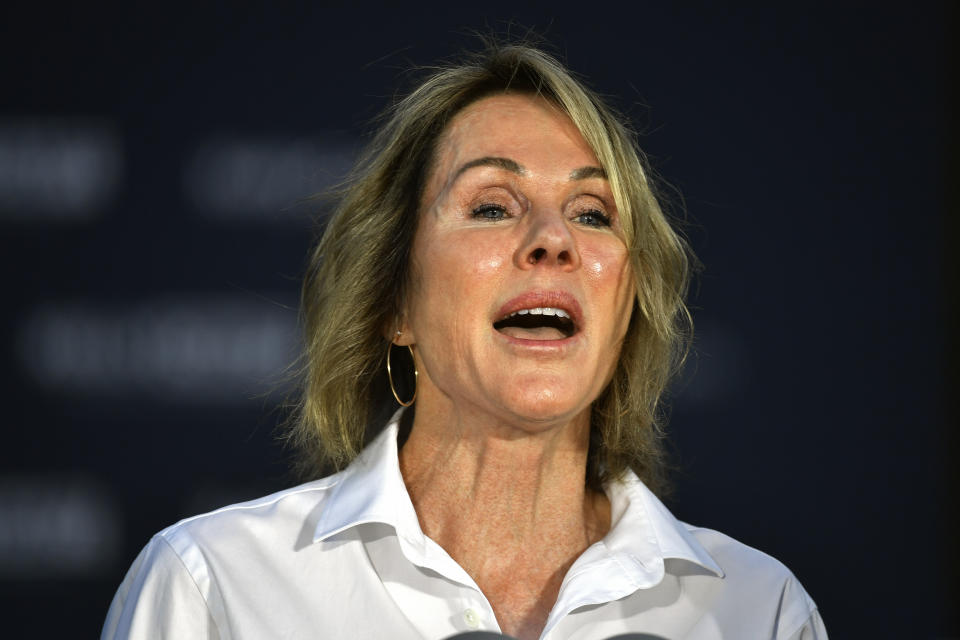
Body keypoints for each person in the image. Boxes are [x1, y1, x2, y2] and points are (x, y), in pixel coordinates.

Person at [101, 42, 826, 640]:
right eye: (492, 205)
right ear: (394, 303)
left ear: (626, 305)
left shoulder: (756, 611)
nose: (553, 241)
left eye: (593, 213)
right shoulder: (216, 588)